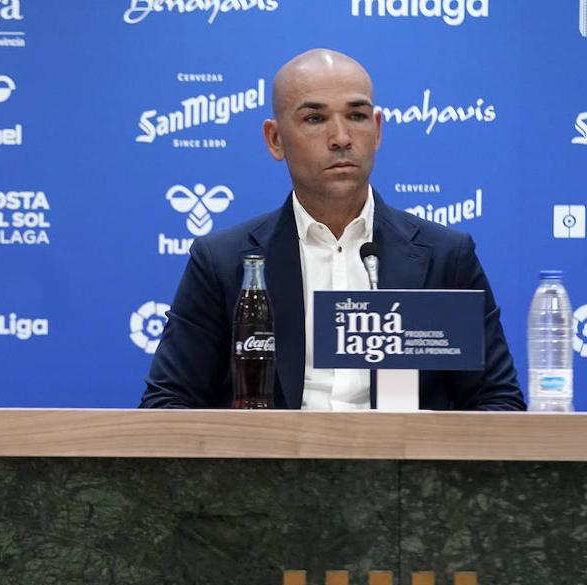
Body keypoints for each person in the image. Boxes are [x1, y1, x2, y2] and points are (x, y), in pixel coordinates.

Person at [141, 49, 524, 411]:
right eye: (315, 118)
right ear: (275, 140)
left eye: (356, 116)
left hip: (404, 473)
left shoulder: (444, 257)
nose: (341, 138)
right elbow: (168, 404)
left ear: (377, 130)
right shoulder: (224, 262)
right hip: (271, 474)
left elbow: (498, 403)